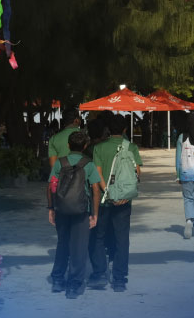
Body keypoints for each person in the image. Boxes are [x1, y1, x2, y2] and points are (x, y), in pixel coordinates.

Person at [88, 115, 142, 292]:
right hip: (124, 200)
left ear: (108, 130)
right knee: (122, 238)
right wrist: (123, 193)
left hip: (104, 200)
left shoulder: (99, 148)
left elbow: (97, 174)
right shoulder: (131, 147)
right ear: (125, 129)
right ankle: (119, 279)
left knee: (98, 236)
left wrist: (108, 192)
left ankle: (99, 274)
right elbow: (137, 173)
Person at [48, 130, 101, 299]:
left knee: (62, 243)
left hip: (62, 209)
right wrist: (95, 213)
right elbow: (95, 190)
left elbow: (51, 186)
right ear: (85, 146)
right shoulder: (89, 164)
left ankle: (57, 280)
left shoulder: (60, 163)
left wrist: (51, 208)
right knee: (78, 248)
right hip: (81, 211)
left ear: (68, 145)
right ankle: (74, 285)